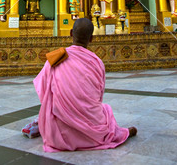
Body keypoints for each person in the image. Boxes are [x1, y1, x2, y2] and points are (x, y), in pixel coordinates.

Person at [33, 18, 137, 152]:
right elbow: (98, 96)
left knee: (50, 110)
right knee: (105, 110)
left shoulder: (56, 57)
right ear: (92, 38)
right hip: (93, 129)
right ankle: (118, 133)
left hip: (58, 134)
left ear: (71, 33)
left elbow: (42, 90)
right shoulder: (97, 62)